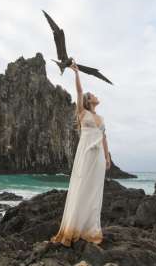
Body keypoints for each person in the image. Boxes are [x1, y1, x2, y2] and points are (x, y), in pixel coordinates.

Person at [51, 59, 111, 247]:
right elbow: (78, 91)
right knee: (82, 187)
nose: (95, 96)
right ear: (88, 101)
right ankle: (74, 227)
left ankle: (90, 228)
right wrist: (76, 73)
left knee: (94, 192)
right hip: (86, 154)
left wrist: (107, 157)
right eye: (92, 95)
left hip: (99, 157)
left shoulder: (100, 118)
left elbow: (104, 138)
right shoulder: (82, 113)